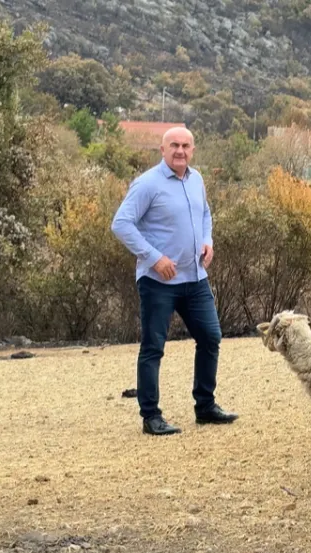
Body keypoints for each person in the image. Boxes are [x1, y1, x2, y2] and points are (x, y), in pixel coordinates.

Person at [110, 126, 238, 435]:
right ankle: (151, 416)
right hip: (158, 282)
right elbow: (121, 223)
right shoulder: (147, 184)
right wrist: (154, 257)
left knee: (210, 338)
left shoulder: (196, 180)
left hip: (195, 279)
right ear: (162, 150)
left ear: (193, 150)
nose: (180, 151)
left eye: (186, 146)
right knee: (153, 347)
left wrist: (208, 241)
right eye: (174, 146)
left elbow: (205, 214)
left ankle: (205, 406)